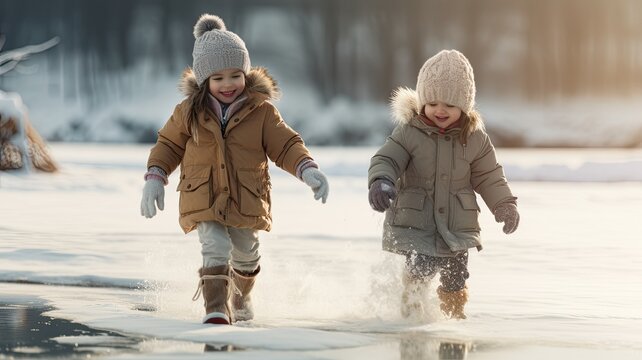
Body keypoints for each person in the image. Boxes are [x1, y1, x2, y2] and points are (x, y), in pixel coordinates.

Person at [140, 13, 329, 325]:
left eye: (234, 75)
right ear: (203, 81)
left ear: (246, 73)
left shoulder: (262, 112)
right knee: (214, 245)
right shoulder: (189, 113)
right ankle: (216, 309)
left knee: (246, 253)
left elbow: (285, 144)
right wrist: (155, 177)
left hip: (246, 196)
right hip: (203, 197)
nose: (228, 84)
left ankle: (241, 295)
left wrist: (307, 169)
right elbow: (168, 145)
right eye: (218, 78)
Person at [367, 49, 519, 320]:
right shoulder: (409, 132)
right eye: (433, 102)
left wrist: (504, 204)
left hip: (456, 229)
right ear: (423, 100)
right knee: (418, 273)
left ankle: (453, 321)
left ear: (464, 106)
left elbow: (489, 176)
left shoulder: (475, 139)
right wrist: (381, 181)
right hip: (418, 225)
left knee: (456, 279)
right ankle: (411, 318)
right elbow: (387, 158)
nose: (440, 110)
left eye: (449, 105)